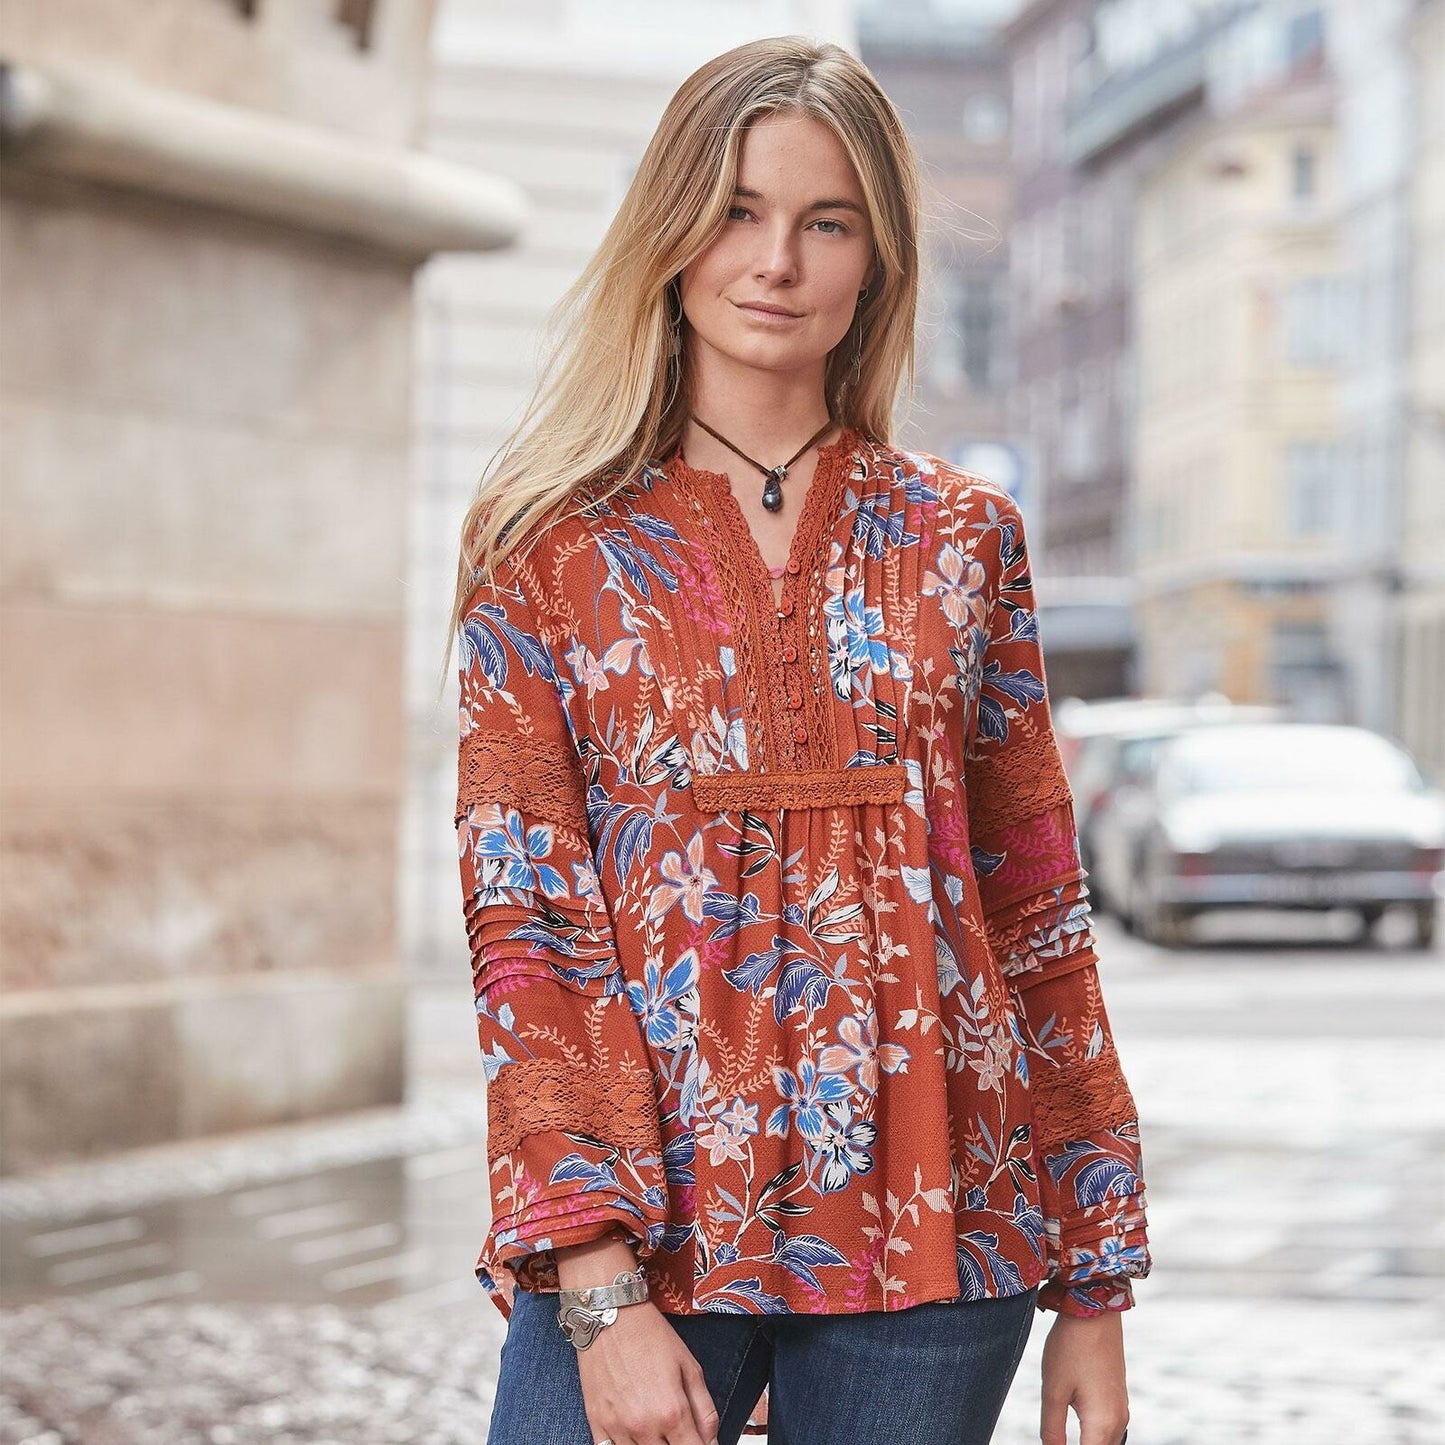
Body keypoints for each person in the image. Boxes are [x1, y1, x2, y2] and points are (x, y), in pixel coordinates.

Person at [444, 35, 1150, 1445]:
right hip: (650, 1239)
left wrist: (1093, 1280)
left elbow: (1032, 909)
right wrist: (597, 1286)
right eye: (737, 212)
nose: (775, 261)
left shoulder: (965, 538)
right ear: (670, 235)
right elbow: (529, 931)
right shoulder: (546, 546)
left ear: (877, 261)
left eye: (826, 223)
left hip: (943, 1239)